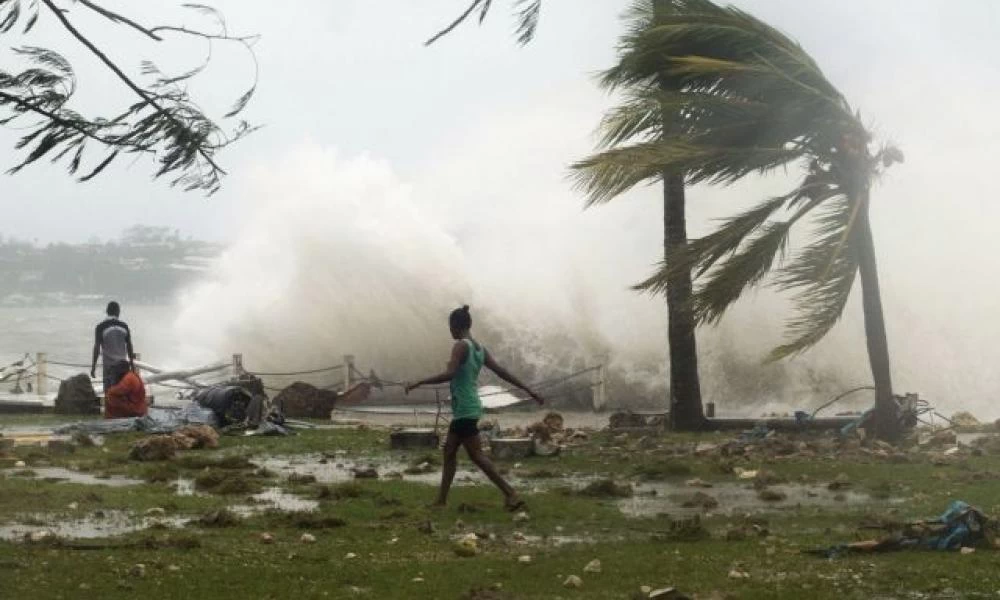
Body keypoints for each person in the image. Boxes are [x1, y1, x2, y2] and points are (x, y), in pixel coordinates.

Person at [405, 305, 543, 511]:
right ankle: (441, 501)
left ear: (455, 326)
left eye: (450, 327)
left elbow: (450, 373)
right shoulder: (479, 349)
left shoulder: (461, 346)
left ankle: (510, 493)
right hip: (469, 406)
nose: (449, 332)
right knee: (450, 451)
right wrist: (529, 390)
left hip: (464, 409)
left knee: (475, 455)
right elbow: (502, 372)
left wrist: (419, 382)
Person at [90, 301, 135, 394]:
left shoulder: (100, 327)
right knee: (123, 393)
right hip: (123, 366)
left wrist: (93, 366)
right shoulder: (124, 326)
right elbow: (129, 346)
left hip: (109, 367)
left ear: (107, 311)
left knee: (109, 394)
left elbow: (97, 348)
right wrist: (132, 364)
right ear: (118, 312)